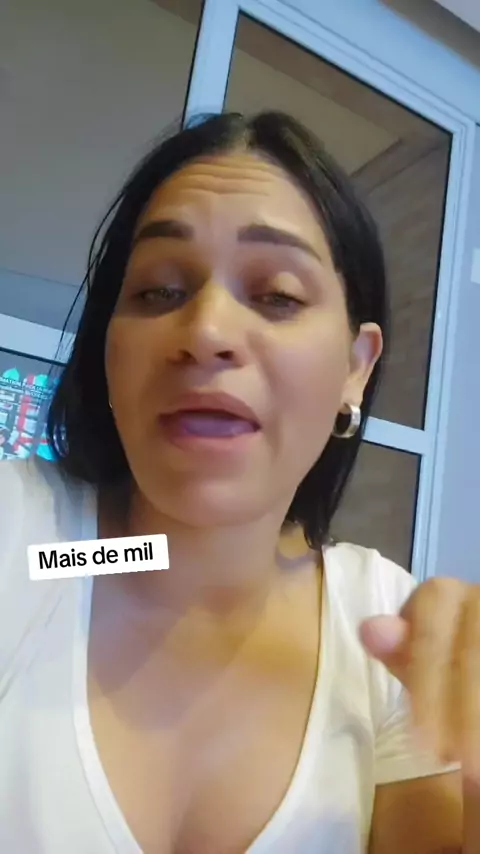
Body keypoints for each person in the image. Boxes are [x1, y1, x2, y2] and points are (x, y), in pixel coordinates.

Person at [0, 111, 478, 854]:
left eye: (278, 295)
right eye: (158, 291)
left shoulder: (385, 631)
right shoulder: (33, 539)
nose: (206, 332)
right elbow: (65, 559)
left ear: (355, 367)